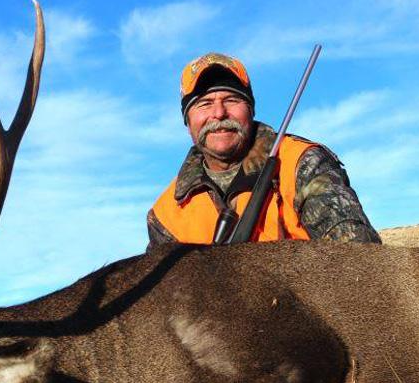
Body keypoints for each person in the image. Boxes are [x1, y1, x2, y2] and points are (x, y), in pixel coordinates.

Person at [147, 52, 381, 248]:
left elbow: (358, 261)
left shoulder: (301, 164)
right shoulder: (167, 213)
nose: (218, 113)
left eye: (231, 100)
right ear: (187, 120)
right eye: (204, 104)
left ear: (251, 110)